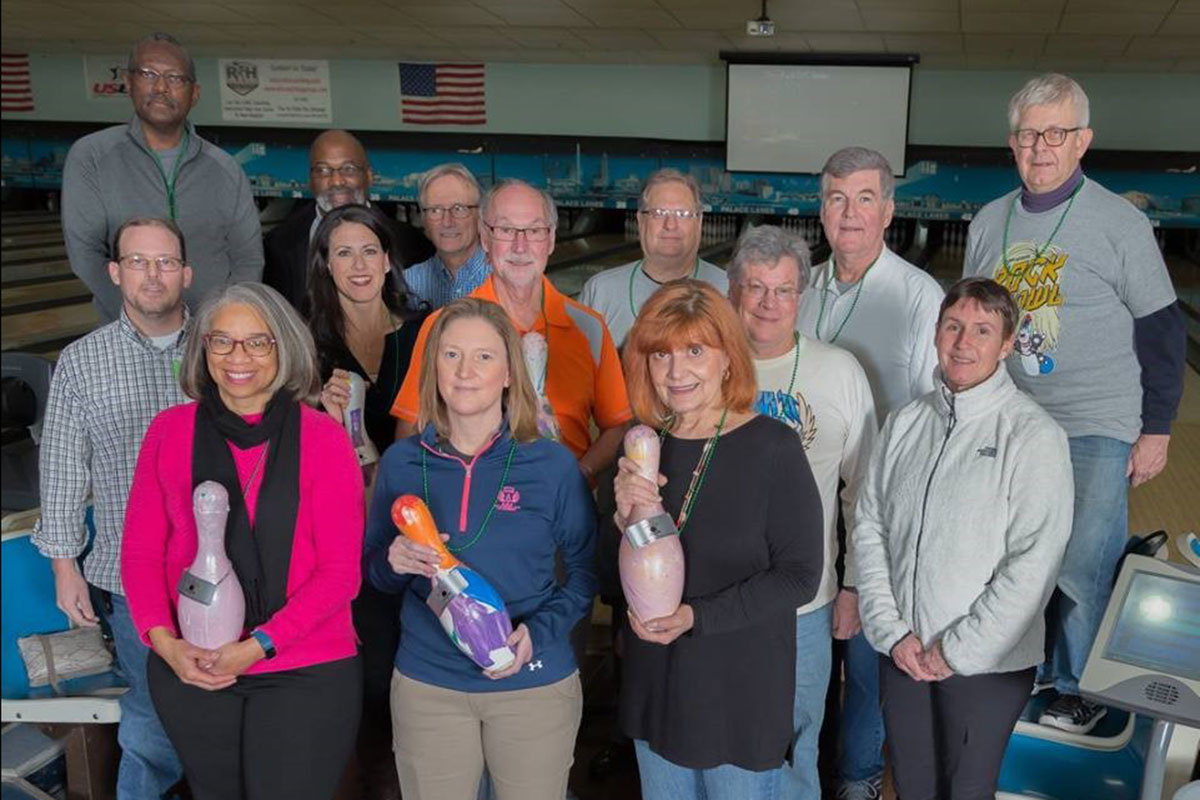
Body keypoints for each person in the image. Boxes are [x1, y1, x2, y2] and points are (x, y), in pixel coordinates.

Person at [964, 73, 1186, 735]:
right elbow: (973, 321)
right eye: (1030, 133)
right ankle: (1022, 667)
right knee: (1008, 558)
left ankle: (1079, 685)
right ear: (1013, 142)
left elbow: (1165, 329)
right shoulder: (986, 221)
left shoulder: (1120, 222)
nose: (1041, 146)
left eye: (1056, 132)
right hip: (1008, 419)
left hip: (1095, 421)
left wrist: (1157, 428)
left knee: (1083, 566)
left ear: (1082, 141)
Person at [121, 282, 364, 800]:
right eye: (222, 341)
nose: (239, 357)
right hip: (195, 665)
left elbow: (340, 575)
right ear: (203, 347)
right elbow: (141, 554)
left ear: (284, 347)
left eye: (258, 342)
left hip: (305, 668)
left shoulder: (323, 440)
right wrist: (165, 645)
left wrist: (257, 646)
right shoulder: (169, 432)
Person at [364, 297, 596, 800]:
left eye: (484, 357)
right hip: (430, 687)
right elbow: (373, 576)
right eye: (451, 355)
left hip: (532, 684)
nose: (465, 371)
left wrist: (538, 633)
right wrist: (392, 562)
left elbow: (585, 574)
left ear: (510, 372)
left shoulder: (552, 465)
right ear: (434, 368)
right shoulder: (403, 463)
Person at [854, 277, 1074, 798]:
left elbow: (1033, 562)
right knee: (913, 788)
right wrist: (890, 632)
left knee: (966, 791)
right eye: (953, 326)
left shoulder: (1033, 435)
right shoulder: (906, 423)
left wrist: (958, 651)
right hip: (903, 654)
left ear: (1006, 344)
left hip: (985, 667)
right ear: (936, 333)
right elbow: (870, 527)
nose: (963, 342)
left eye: (982, 330)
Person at [614, 280, 824, 800]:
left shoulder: (774, 446)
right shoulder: (644, 447)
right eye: (660, 354)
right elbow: (613, 577)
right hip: (659, 688)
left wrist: (696, 617)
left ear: (727, 358)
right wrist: (622, 519)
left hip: (740, 695)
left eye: (694, 351)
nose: (676, 371)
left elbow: (799, 576)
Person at [794, 145, 943, 799]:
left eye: (862, 198)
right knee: (806, 655)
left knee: (865, 655)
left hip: (882, 513)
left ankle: (856, 782)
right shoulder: (801, 291)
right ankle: (803, 772)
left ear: (888, 209)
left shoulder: (919, 297)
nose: (848, 212)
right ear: (821, 209)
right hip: (804, 509)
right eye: (835, 198)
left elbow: (943, 415)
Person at [32, 217, 191, 799]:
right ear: (116, 272)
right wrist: (64, 566)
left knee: (227, 713)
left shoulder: (223, 347)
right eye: (139, 261)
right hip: (130, 579)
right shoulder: (80, 361)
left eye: (166, 262)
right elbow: (63, 471)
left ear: (186, 273)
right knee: (150, 723)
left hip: (227, 569)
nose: (153, 275)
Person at [726, 225, 877, 800]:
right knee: (726, 741)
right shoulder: (702, 367)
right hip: (714, 602)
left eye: (783, 290)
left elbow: (865, 492)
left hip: (805, 605)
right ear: (735, 290)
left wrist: (855, 587)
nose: (769, 303)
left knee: (797, 744)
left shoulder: (839, 372)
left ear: (802, 296)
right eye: (756, 288)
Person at [298, 202, 427, 799]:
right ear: (324, 263)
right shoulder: (306, 348)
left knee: (420, 669)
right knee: (373, 676)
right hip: (348, 535)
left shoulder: (425, 329)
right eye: (343, 251)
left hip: (425, 525)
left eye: (369, 250)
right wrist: (323, 418)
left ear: (388, 259)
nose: (358, 264)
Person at [393, 178, 631, 481]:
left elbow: (616, 426)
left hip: (563, 510)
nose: (521, 246)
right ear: (485, 237)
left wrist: (579, 476)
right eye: (506, 230)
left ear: (552, 239)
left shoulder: (589, 328)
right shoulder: (443, 327)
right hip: (471, 502)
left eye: (534, 231)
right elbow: (410, 429)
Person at [62, 32, 262, 323]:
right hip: (126, 334)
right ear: (129, 83)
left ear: (194, 93)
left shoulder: (225, 169)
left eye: (175, 78)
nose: (161, 87)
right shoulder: (91, 156)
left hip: (209, 336)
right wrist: (143, 319)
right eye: (148, 74)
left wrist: (225, 320)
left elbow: (248, 258)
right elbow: (86, 255)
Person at [263, 129, 433, 309]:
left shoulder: (413, 244)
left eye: (348, 169)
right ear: (310, 180)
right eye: (323, 170)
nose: (336, 181)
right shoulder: (279, 245)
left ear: (369, 176)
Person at [579, 168, 728, 348]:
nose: (670, 225)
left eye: (682, 214)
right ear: (640, 221)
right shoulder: (600, 292)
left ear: (699, 221)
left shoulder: (729, 290)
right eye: (659, 213)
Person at [403, 163, 492, 308]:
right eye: (435, 210)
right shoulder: (407, 284)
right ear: (424, 221)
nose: (447, 222)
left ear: (480, 216)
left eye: (459, 209)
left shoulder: (505, 277)